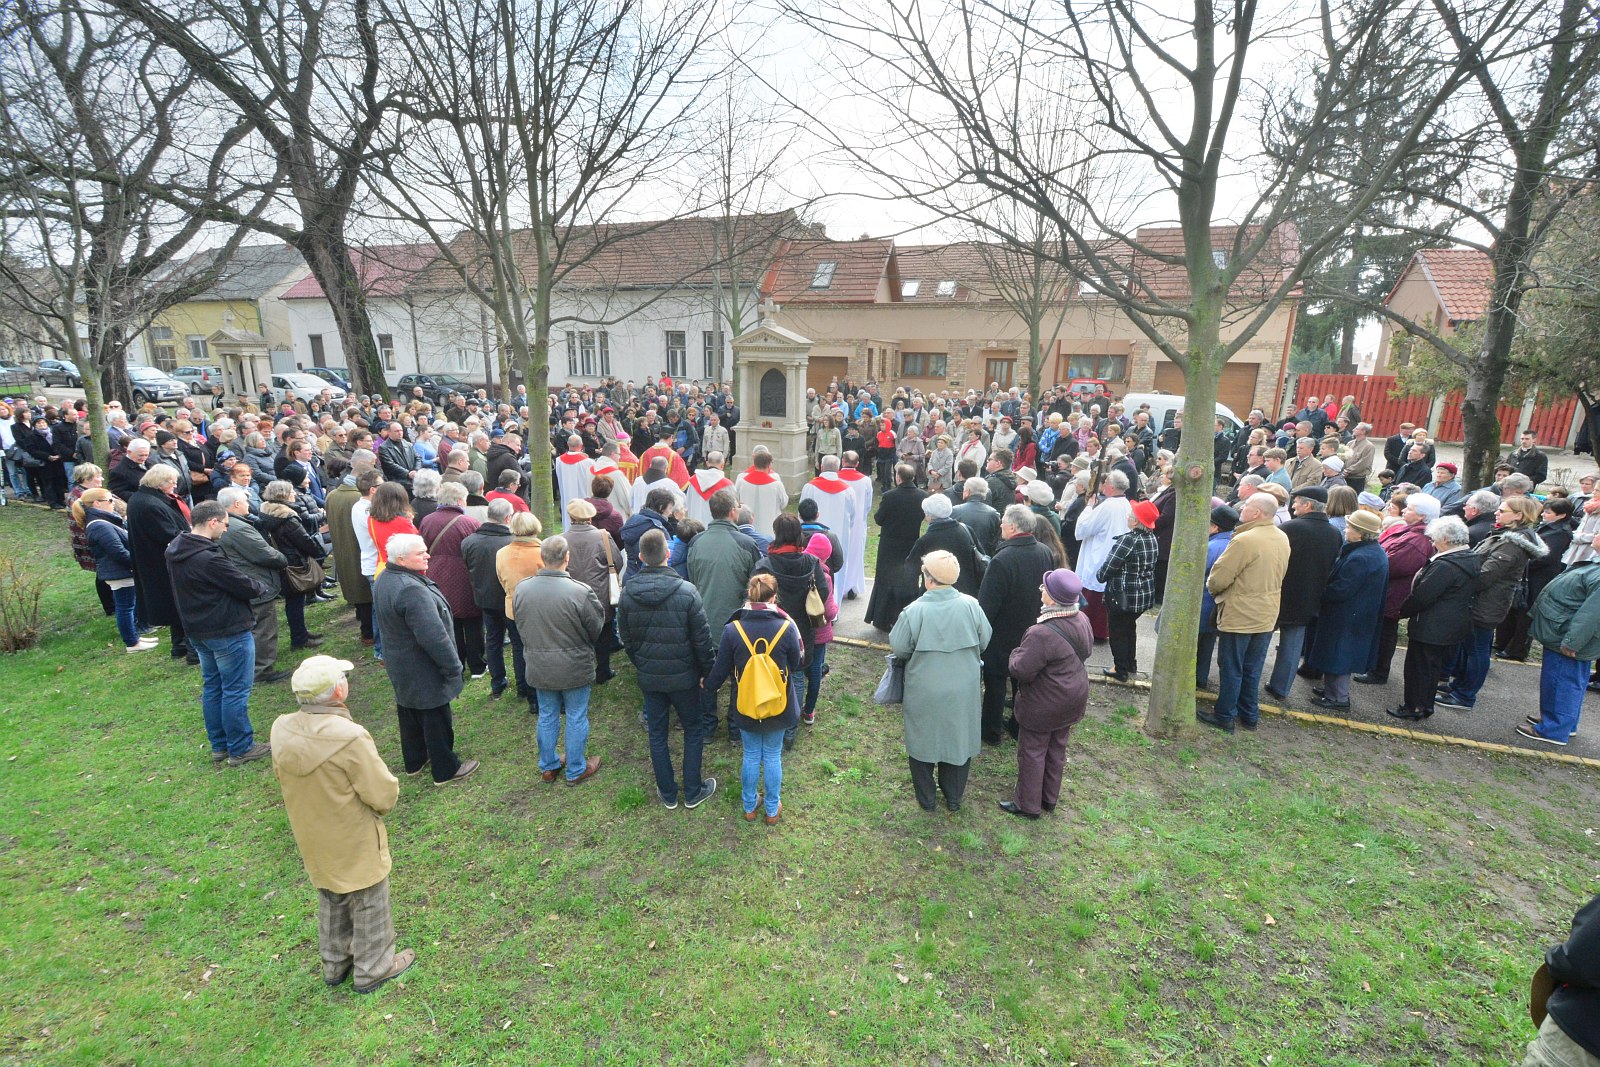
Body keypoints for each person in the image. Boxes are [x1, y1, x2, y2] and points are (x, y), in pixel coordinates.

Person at [270, 655, 415, 994]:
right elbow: (381, 793)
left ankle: (335, 962)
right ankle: (374, 968)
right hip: (351, 832)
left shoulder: (281, 728)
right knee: (370, 895)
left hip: (311, 831)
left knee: (331, 894)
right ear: (338, 691)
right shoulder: (349, 736)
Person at [166, 501, 276, 765]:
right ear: (212, 522)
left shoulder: (176, 549)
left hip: (198, 630)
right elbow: (244, 585)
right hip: (227, 630)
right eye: (225, 524)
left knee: (213, 687)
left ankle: (220, 745)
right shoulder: (208, 559)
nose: (226, 529)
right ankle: (240, 747)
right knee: (235, 690)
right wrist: (261, 586)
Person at [618, 529, 718, 809]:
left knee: (657, 733)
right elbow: (702, 639)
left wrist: (642, 664)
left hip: (651, 677)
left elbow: (626, 639)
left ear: (640, 557)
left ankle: (668, 791)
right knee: (693, 729)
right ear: (668, 554)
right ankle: (692, 790)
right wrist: (707, 672)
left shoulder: (628, 594)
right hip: (684, 678)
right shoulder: (687, 592)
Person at [889, 550, 992, 812]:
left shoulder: (914, 611)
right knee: (958, 739)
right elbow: (984, 640)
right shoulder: (972, 605)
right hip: (964, 688)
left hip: (924, 689)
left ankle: (927, 799)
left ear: (928, 578)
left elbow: (900, 648)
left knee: (922, 739)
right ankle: (953, 797)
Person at [373, 533, 478, 785]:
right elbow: (433, 636)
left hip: (400, 662)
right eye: (420, 553)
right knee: (435, 716)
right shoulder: (411, 589)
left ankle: (415, 760)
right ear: (401, 559)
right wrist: (453, 668)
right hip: (422, 665)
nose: (427, 555)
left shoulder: (385, 578)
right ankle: (446, 769)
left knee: (409, 710)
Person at [703, 573, 802, 824]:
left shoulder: (732, 629)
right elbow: (796, 664)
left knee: (750, 755)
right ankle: (772, 810)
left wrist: (708, 684)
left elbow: (720, 669)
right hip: (779, 705)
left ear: (749, 594)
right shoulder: (787, 627)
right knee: (772, 756)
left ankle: (749, 806)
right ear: (774, 597)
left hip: (746, 704)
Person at [1436, 496, 1547, 712]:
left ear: (1518, 515)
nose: (1497, 513)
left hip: (1486, 604)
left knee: (1477, 650)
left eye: (1503, 511)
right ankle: (1459, 686)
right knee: (1470, 647)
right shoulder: (1504, 536)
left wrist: (1458, 580)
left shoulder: (1512, 544)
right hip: (1481, 601)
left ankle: (1465, 696)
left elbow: (1486, 576)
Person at [1002, 568, 1092, 819]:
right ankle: (1049, 798)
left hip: (1044, 703)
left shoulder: (1041, 632)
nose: (1041, 590)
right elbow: (1086, 652)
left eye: (1044, 588)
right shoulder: (1082, 619)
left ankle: (1028, 805)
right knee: (1056, 748)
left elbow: (1021, 670)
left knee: (1032, 751)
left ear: (1052, 599)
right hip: (1073, 696)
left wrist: (1014, 654)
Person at [516, 535, 606, 785]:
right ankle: (576, 769)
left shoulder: (522, 589)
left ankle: (549, 766)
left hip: (539, 665)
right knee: (576, 715)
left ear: (542, 557)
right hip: (574, 665)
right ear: (567, 557)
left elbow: (520, 622)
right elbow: (596, 627)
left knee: (547, 714)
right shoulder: (580, 591)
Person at [1199, 493, 1291, 733]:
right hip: (1267, 613)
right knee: (1252, 668)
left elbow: (1218, 579)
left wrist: (1216, 591)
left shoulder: (1245, 540)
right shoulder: (1281, 536)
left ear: (1257, 513)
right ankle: (1249, 715)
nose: (1242, 508)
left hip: (1240, 614)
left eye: (1247, 506)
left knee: (1231, 667)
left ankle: (1225, 715)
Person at [1387, 517, 1480, 721]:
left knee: (1418, 668)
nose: (1432, 542)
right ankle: (1424, 705)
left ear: (1445, 539)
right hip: (1448, 624)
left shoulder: (1445, 566)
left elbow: (1422, 596)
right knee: (1431, 668)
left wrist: (1402, 611)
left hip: (1431, 626)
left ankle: (1413, 707)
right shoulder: (1468, 558)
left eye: (1434, 538)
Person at [978, 505, 1055, 745]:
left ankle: (991, 731)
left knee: (995, 682)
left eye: (1003, 521)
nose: (1000, 524)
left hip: (1002, 632)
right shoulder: (1044, 552)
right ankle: (1018, 727)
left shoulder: (1002, 559)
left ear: (1012, 527)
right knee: (1022, 682)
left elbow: (987, 604)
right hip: (1031, 628)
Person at [753, 513, 836, 736]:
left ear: (777, 534)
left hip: (771, 627)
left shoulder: (764, 565)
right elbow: (823, 592)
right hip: (802, 629)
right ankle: (791, 729)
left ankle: (770, 718)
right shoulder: (811, 562)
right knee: (797, 677)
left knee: (771, 676)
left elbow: (754, 596)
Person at [1301, 510, 1388, 709]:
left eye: (1349, 527)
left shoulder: (1361, 558)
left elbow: (1341, 590)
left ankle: (1338, 698)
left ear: (1360, 533)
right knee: (1336, 654)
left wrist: (1320, 592)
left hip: (1347, 616)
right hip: (1354, 615)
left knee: (1339, 656)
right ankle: (1331, 691)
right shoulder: (1370, 551)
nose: (1346, 530)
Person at [1264, 486, 1343, 699]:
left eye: (1297, 502)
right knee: (1292, 646)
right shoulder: (1334, 533)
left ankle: (1248, 683)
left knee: (1259, 642)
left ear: (1307, 505)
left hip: (1278, 595)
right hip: (1309, 599)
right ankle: (1280, 688)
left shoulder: (1289, 528)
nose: (1293, 506)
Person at [1356, 493, 1441, 685]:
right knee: (1382, 631)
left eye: (1409, 509)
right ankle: (1374, 666)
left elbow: (1393, 565)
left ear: (1422, 516)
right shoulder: (1409, 532)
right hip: (1389, 590)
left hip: (1393, 594)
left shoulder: (1417, 541)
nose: (1404, 511)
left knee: (1385, 632)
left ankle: (1379, 671)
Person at [1518, 553, 1600, 747]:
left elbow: (1592, 614)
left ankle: (1554, 729)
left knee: (1562, 681)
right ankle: (1563, 722)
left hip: (1567, 636)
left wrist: (1573, 641)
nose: (1595, 537)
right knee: (1566, 681)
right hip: (1562, 631)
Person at [217, 486, 292, 683]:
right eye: (245, 501)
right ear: (236, 504)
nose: (248, 505)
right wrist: (283, 558)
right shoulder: (238, 528)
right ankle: (262, 669)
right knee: (264, 628)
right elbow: (264, 553)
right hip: (256, 583)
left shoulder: (226, 525)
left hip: (245, 582)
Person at [417, 482, 485, 679]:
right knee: (473, 622)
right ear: (459, 501)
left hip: (437, 576)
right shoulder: (469, 523)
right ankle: (478, 666)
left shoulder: (427, 521)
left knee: (449, 622)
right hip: (464, 577)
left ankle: (458, 663)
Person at [127, 464, 194, 661]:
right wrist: (194, 536)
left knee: (174, 605)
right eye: (171, 482)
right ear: (159, 482)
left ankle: (180, 646)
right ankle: (191, 650)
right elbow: (168, 534)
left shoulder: (143, 499)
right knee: (181, 604)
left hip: (156, 560)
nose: (175, 486)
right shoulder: (149, 504)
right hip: (161, 562)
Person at [76, 488, 155, 654]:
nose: (114, 503)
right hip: (119, 572)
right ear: (97, 503)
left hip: (121, 571)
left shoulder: (103, 522)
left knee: (128, 605)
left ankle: (134, 637)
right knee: (125, 607)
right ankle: (132, 642)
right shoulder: (99, 526)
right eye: (110, 500)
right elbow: (118, 552)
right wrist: (139, 563)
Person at [1497, 497, 1576, 662]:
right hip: (1529, 572)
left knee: (1526, 613)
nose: (1544, 515)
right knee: (1515, 608)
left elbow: (1546, 557)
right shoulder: (1548, 527)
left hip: (1539, 576)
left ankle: (1517, 649)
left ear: (1561, 515)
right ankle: (1503, 642)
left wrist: (1522, 563)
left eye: (1548, 512)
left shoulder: (1561, 532)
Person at [460, 499, 522, 699]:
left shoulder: (469, 542)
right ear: (508, 518)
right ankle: (522, 686)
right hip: (510, 600)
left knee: (493, 641)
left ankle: (497, 685)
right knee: (517, 643)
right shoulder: (513, 542)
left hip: (486, 600)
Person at [258, 480, 330, 653]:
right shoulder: (287, 517)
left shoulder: (266, 512)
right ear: (282, 495)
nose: (294, 494)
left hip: (282, 561)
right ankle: (299, 638)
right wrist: (318, 550)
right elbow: (303, 540)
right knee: (295, 602)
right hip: (293, 562)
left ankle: (301, 633)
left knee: (293, 602)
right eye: (291, 492)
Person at [1097, 499, 1159, 682]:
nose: (1128, 517)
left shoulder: (1128, 540)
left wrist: (1100, 576)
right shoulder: (1152, 538)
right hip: (1143, 595)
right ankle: (1130, 663)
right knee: (1129, 628)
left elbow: (1109, 567)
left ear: (1136, 521)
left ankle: (1120, 669)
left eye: (1130, 515)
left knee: (1118, 632)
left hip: (1123, 595)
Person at [563, 498, 620, 684]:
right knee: (604, 633)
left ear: (571, 517)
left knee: (577, 635)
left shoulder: (562, 539)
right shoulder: (603, 537)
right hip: (600, 595)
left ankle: (579, 671)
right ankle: (603, 670)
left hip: (571, 595)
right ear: (590, 517)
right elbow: (618, 562)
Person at [864, 463, 927, 632]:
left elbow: (879, 519)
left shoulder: (890, 496)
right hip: (910, 544)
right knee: (908, 579)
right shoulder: (922, 496)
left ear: (898, 477)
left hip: (890, 546)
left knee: (886, 579)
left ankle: (883, 618)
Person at [1073, 470, 1134, 641]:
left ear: (1112, 487)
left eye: (1106, 483)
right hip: (1113, 555)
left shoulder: (1107, 507)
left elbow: (1084, 529)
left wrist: (1088, 508)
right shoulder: (1126, 504)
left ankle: (1090, 630)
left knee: (1093, 595)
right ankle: (1101, 631)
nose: (1103, 485)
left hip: (1099, 554)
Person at [493, 510, 544, 699]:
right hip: (538, 609)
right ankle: (537, 689)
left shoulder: (501, 553)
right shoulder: (542, 552)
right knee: (539, 650)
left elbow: (501, 580)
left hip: (513, 607)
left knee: (518, 648)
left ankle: (523, 686)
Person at [801, 457, 864, 599]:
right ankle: (835, 602)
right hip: (839, 536)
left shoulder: (809, 487)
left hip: (811, 539)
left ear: (821, 467)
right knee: (837, 571)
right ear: (838, 468)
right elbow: (853, 516)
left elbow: (802, 513)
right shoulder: (848, 490)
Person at [904, 493, 984, 598]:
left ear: (929, 515)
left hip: (935, 596)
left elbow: (910, 571)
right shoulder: (966, 530)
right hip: (966, 593)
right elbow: (980, 556)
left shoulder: (926, 540)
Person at [1197, 505, 1239, 688]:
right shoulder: (1234, 544)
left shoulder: (1211, 547)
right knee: (1207, 645)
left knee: (1196, 645)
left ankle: (1191, 679)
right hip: (1220, 607)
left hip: (1203, 603)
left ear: (1215, 527)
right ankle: (1201, 678)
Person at [951, 477, 1001, 556]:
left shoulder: (955, 511)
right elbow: (996, 540)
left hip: (960, 556)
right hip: (985, 557)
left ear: (967, 491)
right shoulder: (993, 514)